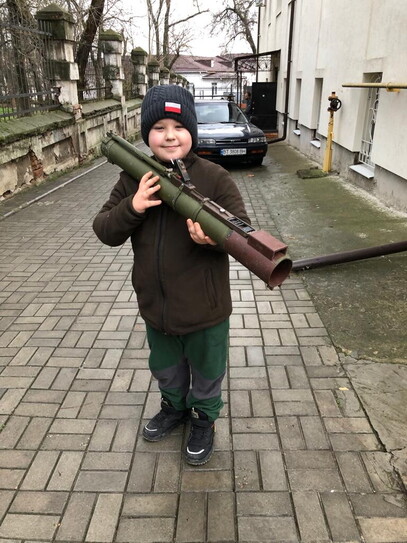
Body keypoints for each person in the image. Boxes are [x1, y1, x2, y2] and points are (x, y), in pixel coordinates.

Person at [93, 85, 250, 466]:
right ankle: (174, 407)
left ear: (191, 131)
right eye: (158, 127)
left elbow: (242, 235)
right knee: (166, 368)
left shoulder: (214, 177)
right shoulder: (133, 178)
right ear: (146, 134)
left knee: (207, 370)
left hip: (206, 310)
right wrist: (133, 206)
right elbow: (105, 230)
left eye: (178, 127)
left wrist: (212, 241)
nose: (169, 136)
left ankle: (203, 419)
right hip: (157, 307)